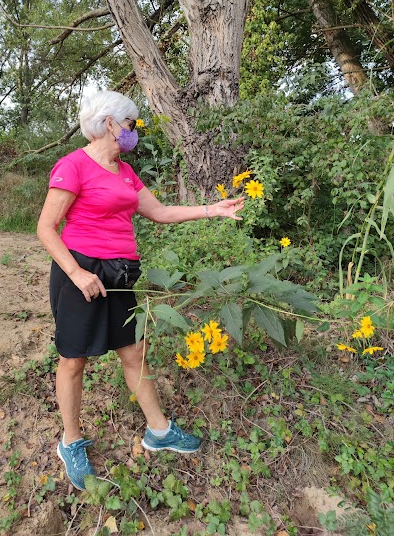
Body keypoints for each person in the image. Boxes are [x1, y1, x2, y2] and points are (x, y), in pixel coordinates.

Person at [37, 90, 245, 490]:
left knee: (134, 352)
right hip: (82, 273)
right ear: (110, 124)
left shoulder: (126, 172)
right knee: (74, 359)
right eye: (130, 123)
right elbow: (46, 228)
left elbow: (160, 212)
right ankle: (71, 440)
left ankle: (160, 431)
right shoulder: (73, 165)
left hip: (121, 275)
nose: (134, 130)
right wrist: (78, 274)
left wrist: (211, 209)